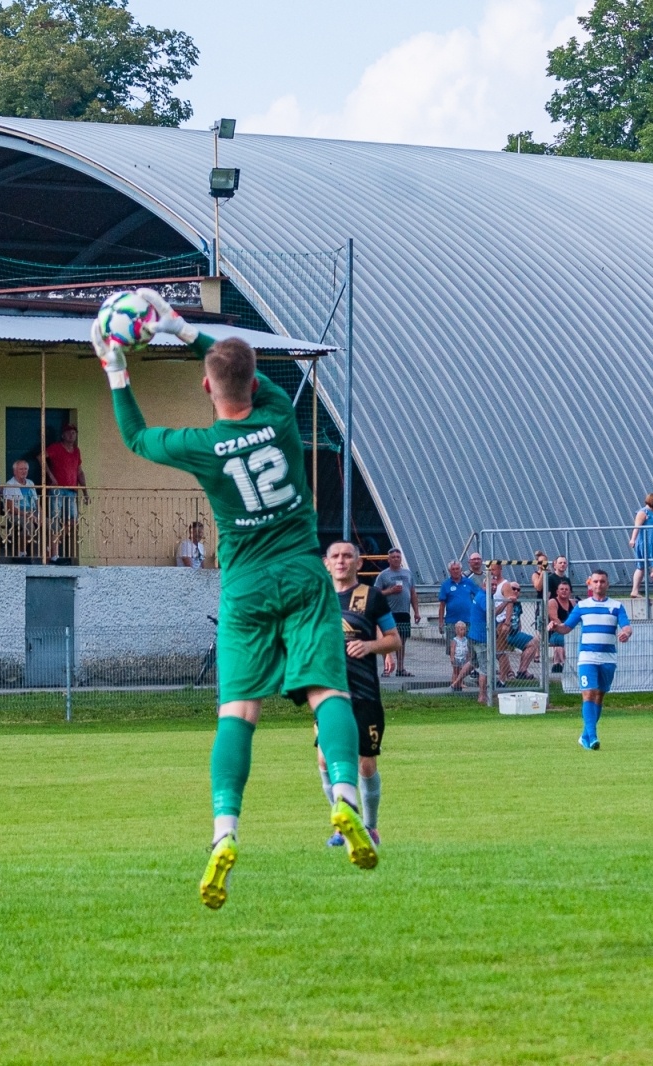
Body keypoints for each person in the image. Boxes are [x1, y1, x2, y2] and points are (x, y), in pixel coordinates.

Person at [94, 289, 374, 909]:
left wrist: (116, 367)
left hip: (245, 585)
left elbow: (137, 437)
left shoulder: (202, 447)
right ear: (253, 381)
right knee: (329, 691)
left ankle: (224, 832)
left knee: (237, 712)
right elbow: (230, 362)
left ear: (205, 389)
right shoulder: (279, 415)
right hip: (303, 572)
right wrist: (179, 327)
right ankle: (346, 800)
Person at [317, 540, 400, 849]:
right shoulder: (316, 598)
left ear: (358, 562)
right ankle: (343, 823)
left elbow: (394, 640)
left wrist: (370, 646)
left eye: (347, 556)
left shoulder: (372, 597)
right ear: (326, 563)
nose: (341, 561)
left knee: (366, 764)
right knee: (325, 760)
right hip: (326, 694)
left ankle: (371, 826)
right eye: (335, 556)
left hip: (364, 693)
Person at [549, 569, 631, 751]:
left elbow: (627, 627)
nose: (599, 584)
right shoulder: (582, 606)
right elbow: (566, 628)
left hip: (608, 658)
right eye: (596, 581)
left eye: (602, 581)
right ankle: (593, 737)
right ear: (590, 584)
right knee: (589, 693)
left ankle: (585, 736)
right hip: (587, 658)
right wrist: (556, 627)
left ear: (607, 584)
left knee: (599, 696)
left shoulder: (616, 606)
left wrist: (625, 633)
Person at [375, 547, 419, 677]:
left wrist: (416, 611)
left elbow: (412, 593)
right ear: (388, 560)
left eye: (398, 557)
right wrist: (390, 591)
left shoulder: (408, 574)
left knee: (401, 642)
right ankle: (386, 668)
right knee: (387, 641)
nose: (396, 559)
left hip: (404, 612)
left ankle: (400, 668)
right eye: (393, 557)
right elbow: (376, 594)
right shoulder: (383, 575)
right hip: (389, 613)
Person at [494, 579, 539, 681]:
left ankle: (522, 671)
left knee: (534, 642)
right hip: (502, 631)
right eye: (513, 589)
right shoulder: (502, 600)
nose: (516, 591)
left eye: (518, 590)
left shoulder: (518, 604)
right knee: (501, 651)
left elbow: (518, 619)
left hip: (514, 633)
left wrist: (519, 629)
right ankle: (508, 672)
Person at [44, 423, 88, 523]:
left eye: (73, 433)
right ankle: (55, 538)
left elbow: (79, 472)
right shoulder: (56, 447)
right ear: (62, 435)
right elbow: (40, 457)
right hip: (57, 489)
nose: (71, 435)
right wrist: (51, 477)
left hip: (72, 490)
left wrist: (85, 493)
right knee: (55, 519)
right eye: (68, 433)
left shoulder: (76, 451)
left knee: (72, 520)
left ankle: (62, 538)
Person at [628, 493, 653, 598]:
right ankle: (635, 590)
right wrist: (633, 539)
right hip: (646, 542)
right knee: (644, 566)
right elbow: (637, 527)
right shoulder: (643, 512)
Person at [438, 560, 476, 646]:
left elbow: (478, 596)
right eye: (453, 569)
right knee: (453, 649)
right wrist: (440, 622)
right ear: (449, 571)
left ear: (461, 569)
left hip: (468, 621)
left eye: (457, 569)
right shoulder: (445, 585)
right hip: (452, 622)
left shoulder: (469, 582)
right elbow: (442, 605)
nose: (455, 571)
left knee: (469, 648)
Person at [546, 578, 575, 675]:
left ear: (570, 592)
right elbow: (555, 619)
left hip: (571, 630)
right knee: (561, 640)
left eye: (566, 589)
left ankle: (557, 663)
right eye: (562, 589)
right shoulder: (552, 602)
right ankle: (565, 664)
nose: (564, 591)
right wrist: (565, 627)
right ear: (557, 591)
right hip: (555, 631)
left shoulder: (573, 603)